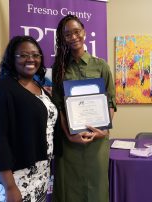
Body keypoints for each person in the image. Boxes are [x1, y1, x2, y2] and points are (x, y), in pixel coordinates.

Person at [0, 35, 59, 202]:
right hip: (12, 175)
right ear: (11, 58)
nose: (31, 59)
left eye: (36, 55)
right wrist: (9, 187)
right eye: (23, 55)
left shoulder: (38, 86)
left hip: (39, 170)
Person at [51, 15, 117, 202]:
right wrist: (70, 134)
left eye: (76, 32)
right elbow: (59, 106)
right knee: (69, 190)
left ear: (84, 32)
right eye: (67, 34)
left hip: (97, 143)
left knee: (96, 189)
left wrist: (103, 131)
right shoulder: (59, 68)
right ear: (62, 38)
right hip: (70, 142)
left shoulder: (101, 65)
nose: (73, 37)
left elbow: (110, 102)